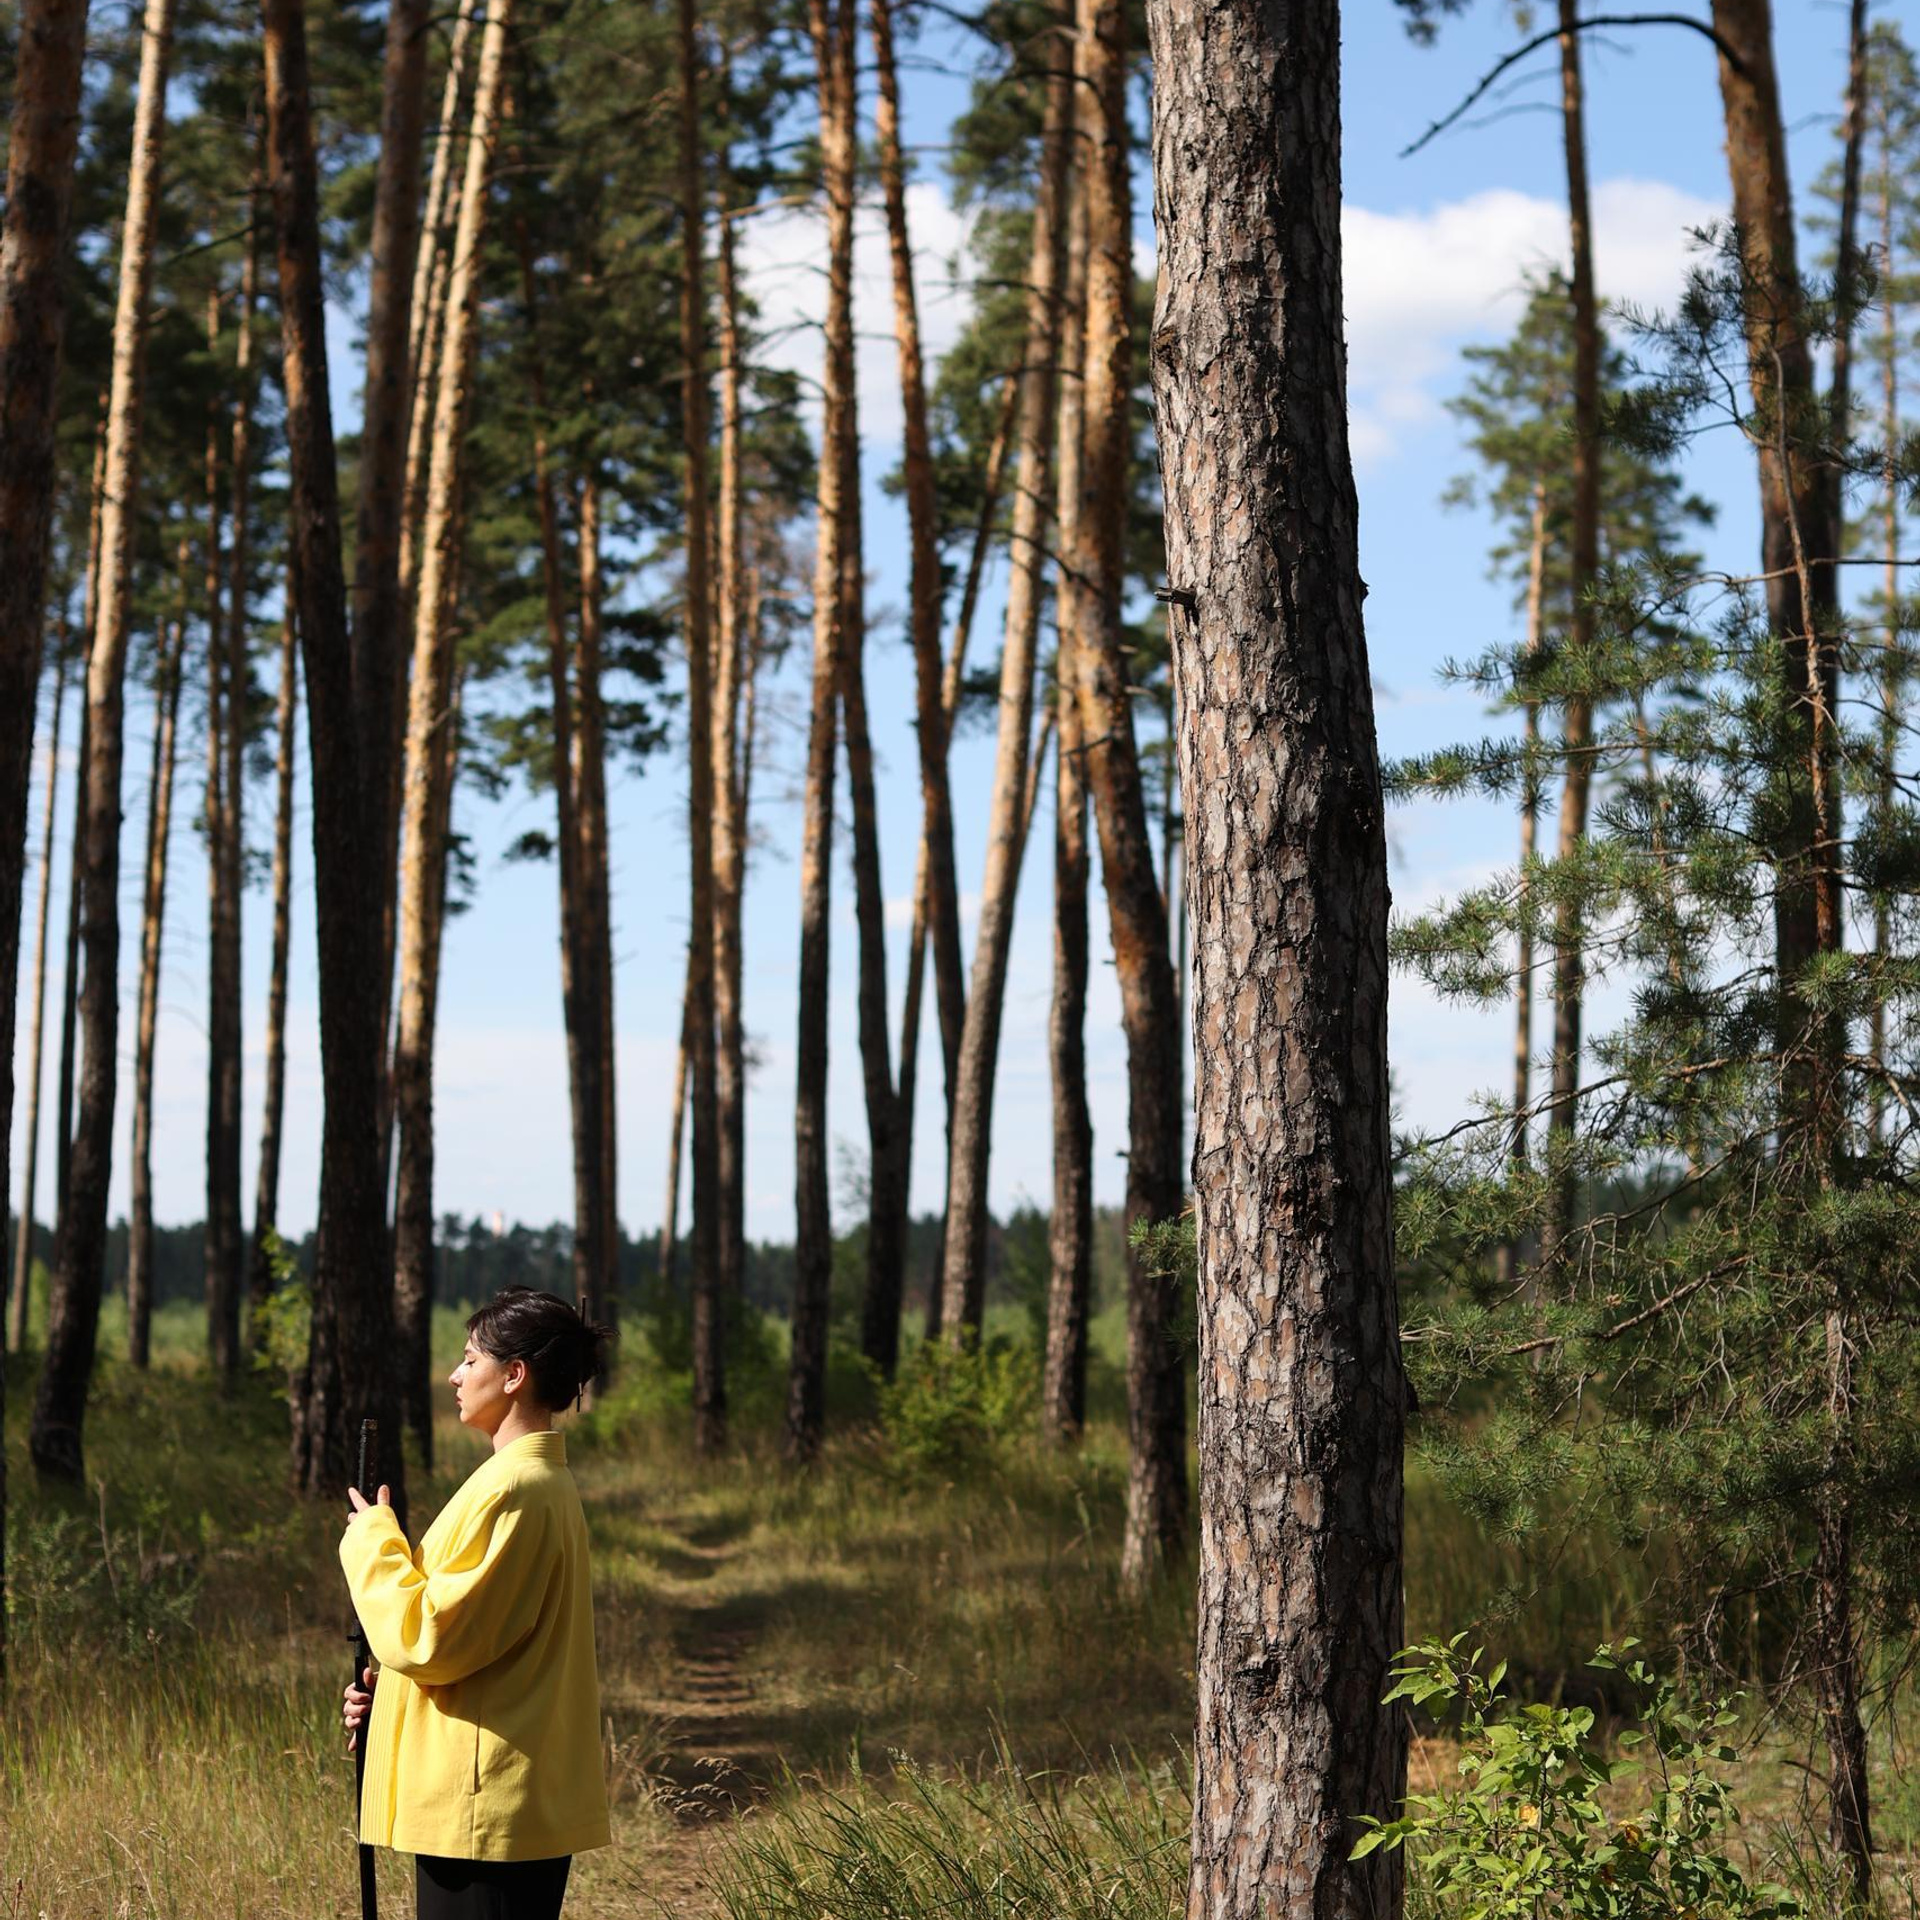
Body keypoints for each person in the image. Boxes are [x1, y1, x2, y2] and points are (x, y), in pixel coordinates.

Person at [340, 1287, 615, 1920]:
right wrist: (391, 1701)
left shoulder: (518, 1489)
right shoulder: (521, 1482)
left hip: (486, 1807)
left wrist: (375, 1543)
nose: (454, 1375)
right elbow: (484, 1640)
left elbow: (432, 1637)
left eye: (470, 1360)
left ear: (514, 1375)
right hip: (483, 1796)